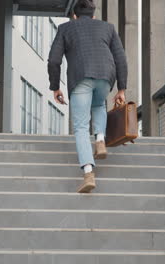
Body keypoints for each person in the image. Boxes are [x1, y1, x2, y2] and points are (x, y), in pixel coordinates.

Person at [48, 0, 128, 193]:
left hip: (80, 77)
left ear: (74, 15)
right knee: (99, 104)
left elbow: (53, 60)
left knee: (81, 126)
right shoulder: (107, 28)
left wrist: (55, 87)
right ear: (94, 15)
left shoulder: (66, 28)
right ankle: (100, 139)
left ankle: (88, 173)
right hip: (105, 76)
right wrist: (121, 89)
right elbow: (121, 58)